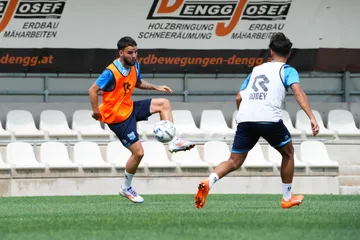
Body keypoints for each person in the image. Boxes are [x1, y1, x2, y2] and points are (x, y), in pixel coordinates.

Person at [194, 32, 320, 209]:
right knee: (288, 153)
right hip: (269, 118)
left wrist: (244, 116)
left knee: (234, 161)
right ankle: (286, 197)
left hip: (245, 119)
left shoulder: (257, 70)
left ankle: (209, 181)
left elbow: (239, 97)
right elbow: (299, 93)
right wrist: (312, 118)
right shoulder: (287, 70)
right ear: (289, 53)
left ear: (271, 52)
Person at [89, 36, 195, 204]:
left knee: (164, 104)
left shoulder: (134, 65)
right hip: (116, 118)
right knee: (138, 153)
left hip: (129, 107)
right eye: (130, 52)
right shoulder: (111, 72)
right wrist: (96, 112)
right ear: (121, 53)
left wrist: (156, 87)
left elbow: (137, 82)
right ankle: (126, 188)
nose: (134, 55)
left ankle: (173, 142)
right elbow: (93, 90)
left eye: (136, 52)